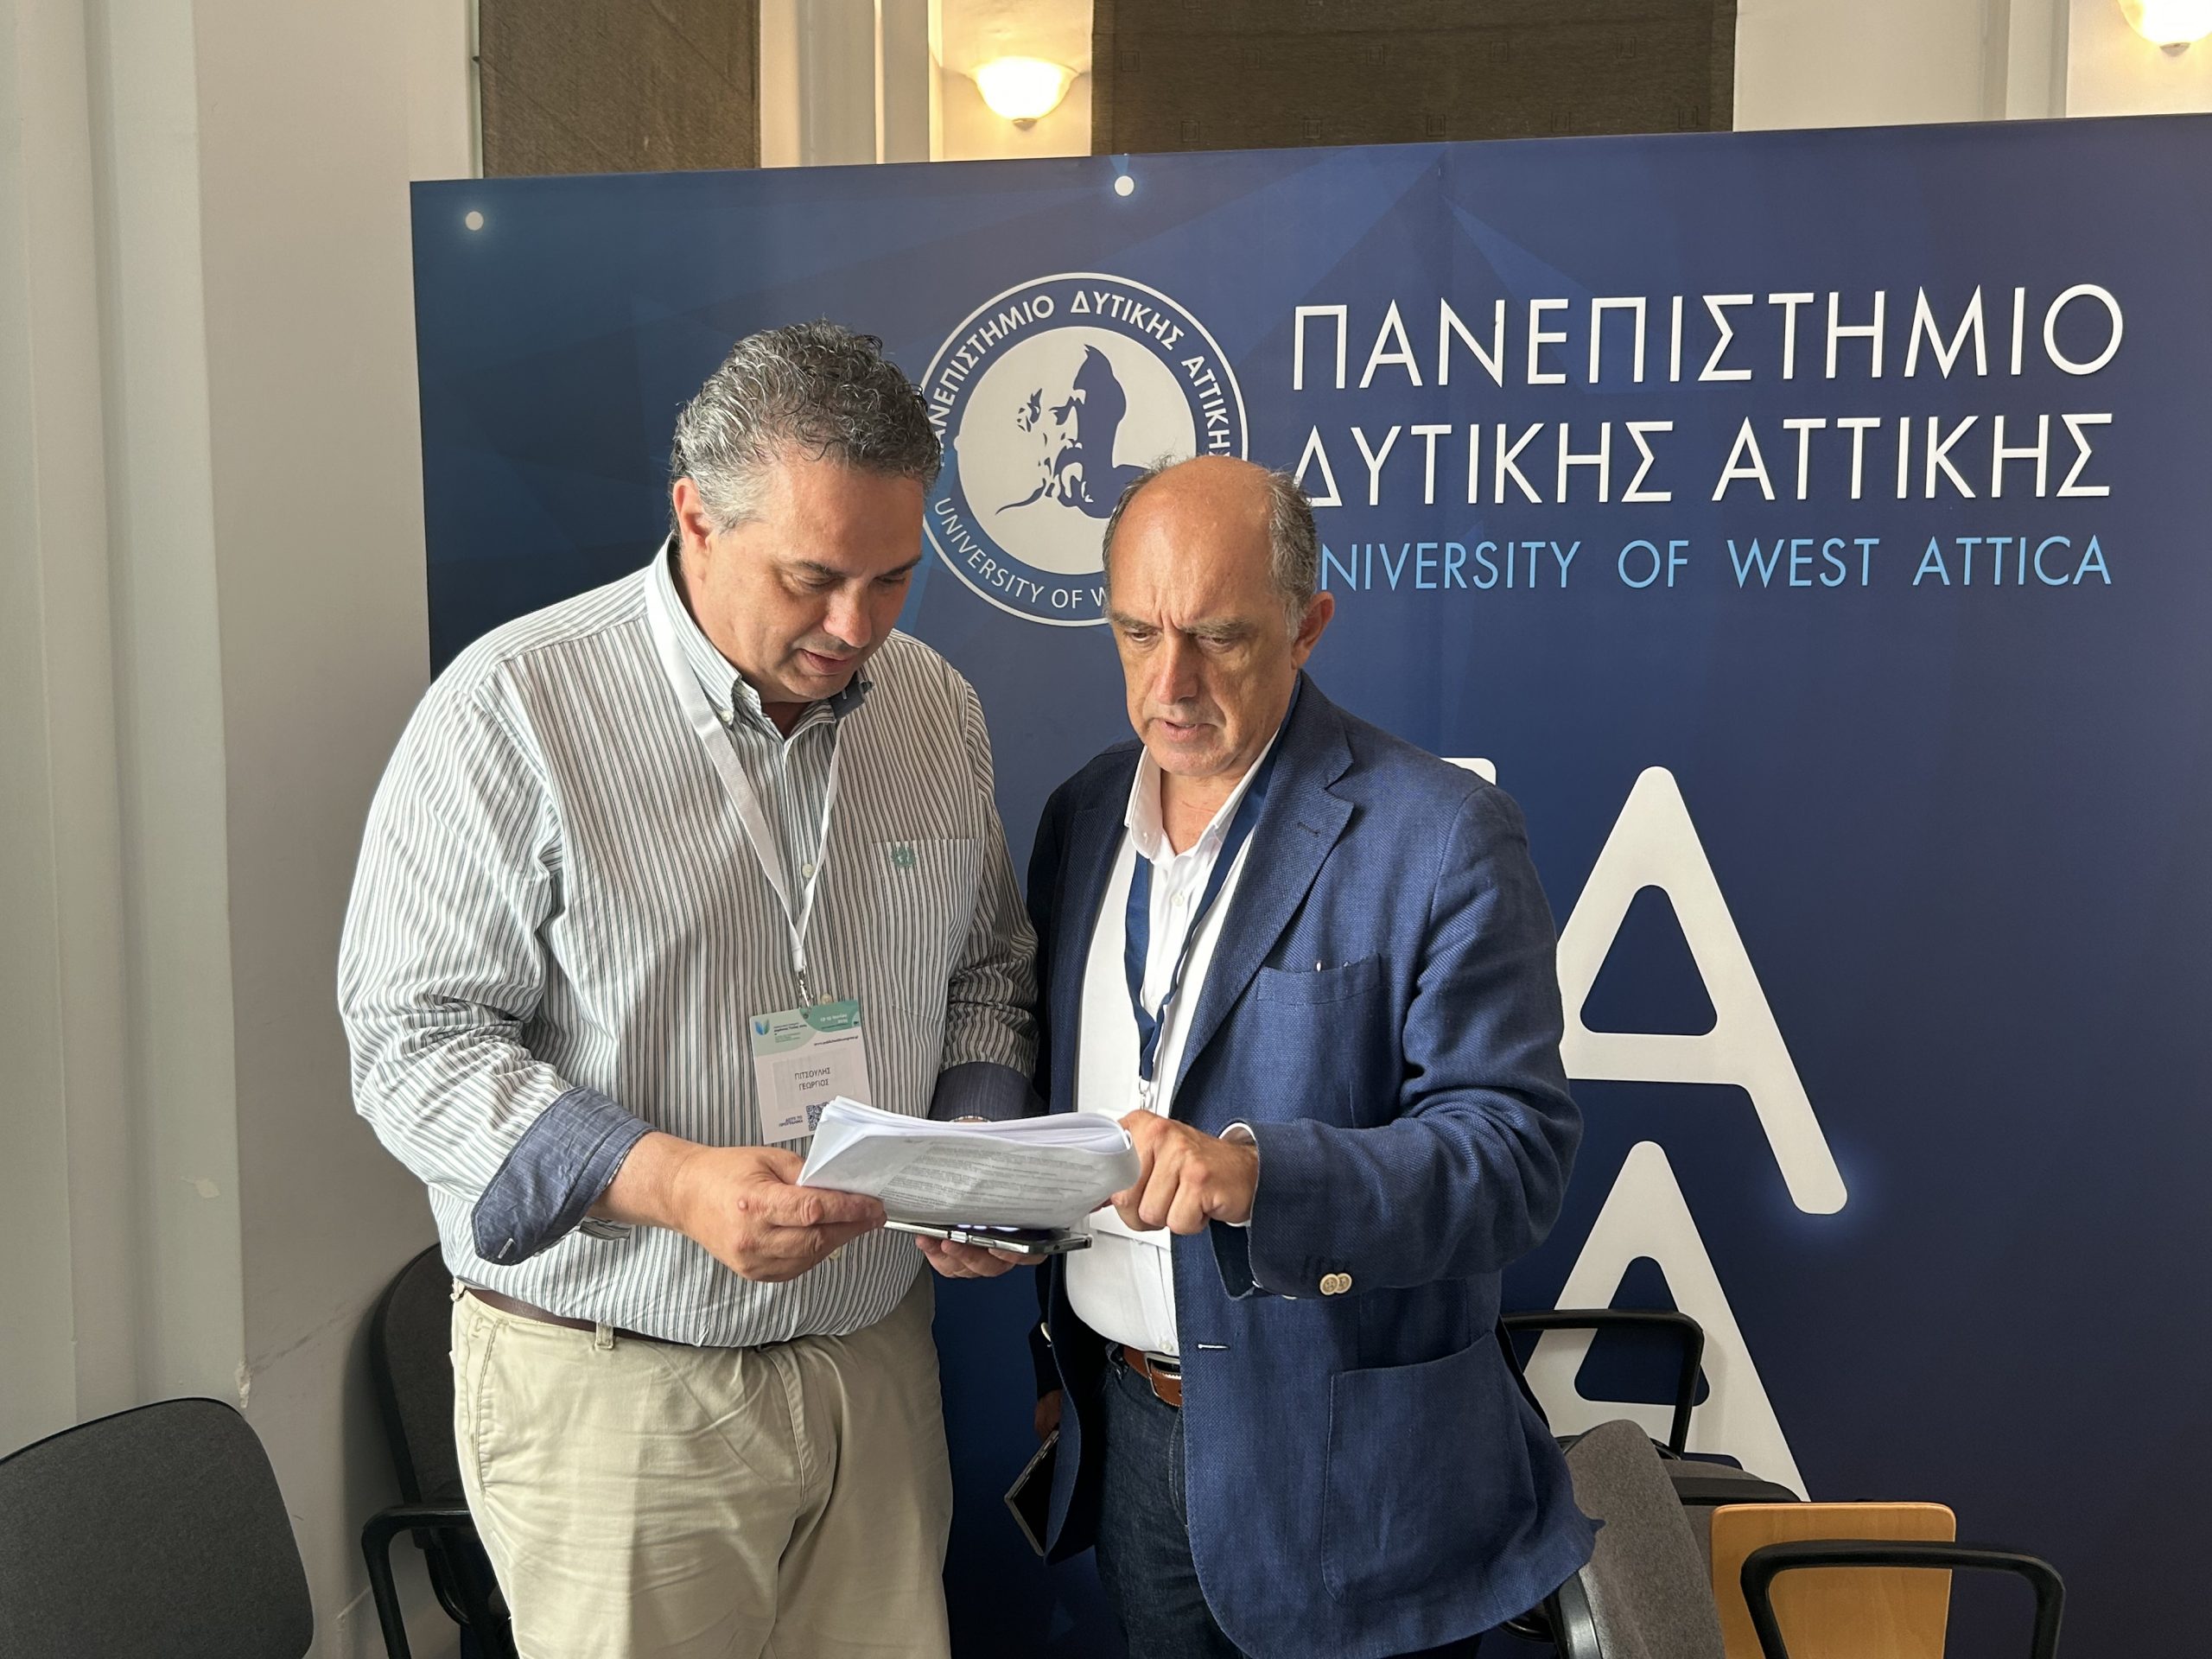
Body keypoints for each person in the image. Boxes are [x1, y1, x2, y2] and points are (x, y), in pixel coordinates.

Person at [338, 321, 1038, 1659]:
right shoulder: (514, 709)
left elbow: (987, 970)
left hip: (872, 1364)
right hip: (617, 1389)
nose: (856, 629)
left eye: (894, 578)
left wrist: (972, 1146)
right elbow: (413, 1047)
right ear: (696, 519)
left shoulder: (935, 710)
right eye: (813, 577)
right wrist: (671, 1181)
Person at [1015, 455, 1597, 1657]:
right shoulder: (1080, 816)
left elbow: (1515, 1158)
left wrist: (1258, 1176)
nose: (1169, 684)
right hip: (1129, 1432)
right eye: (1137, 633)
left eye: (1219, 638)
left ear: (1308, 625)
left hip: (1355, 1477)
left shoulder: (1441, 834)